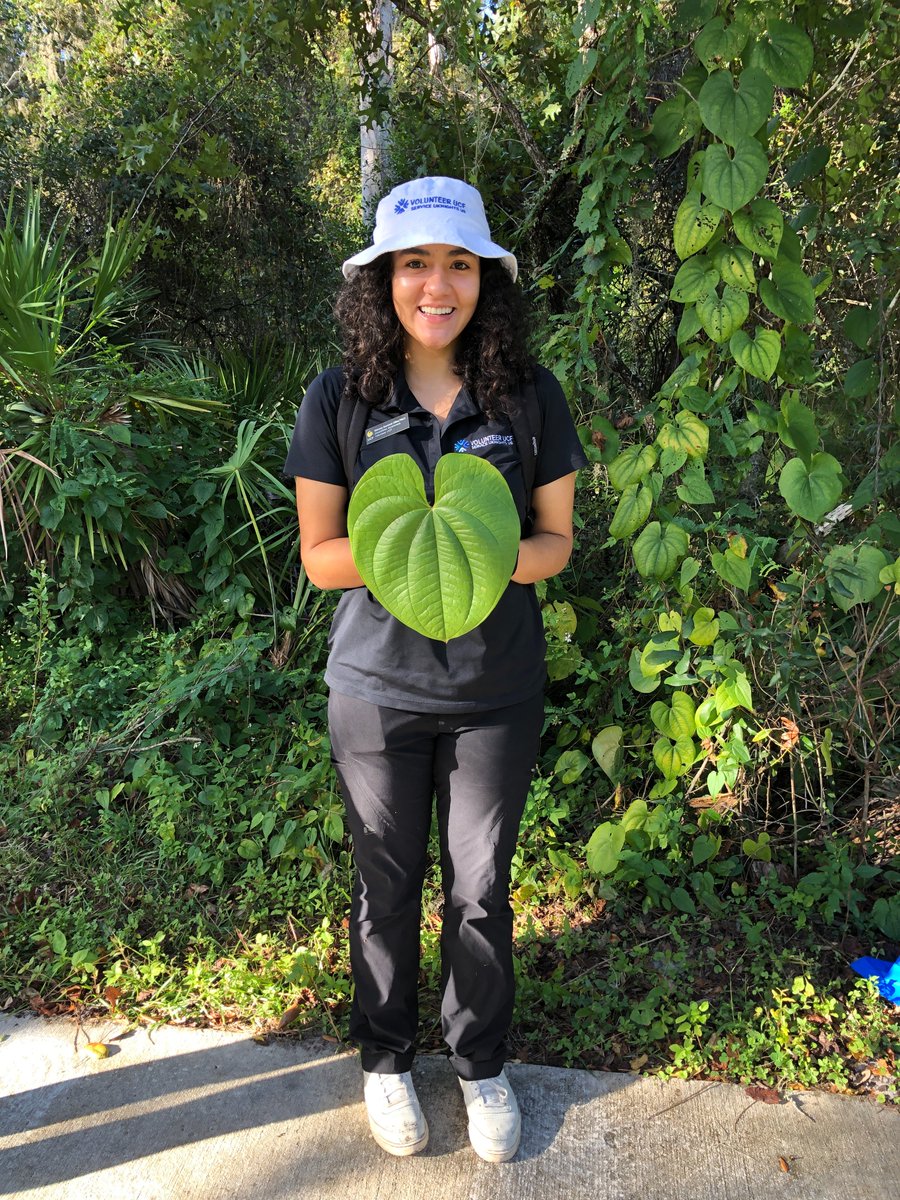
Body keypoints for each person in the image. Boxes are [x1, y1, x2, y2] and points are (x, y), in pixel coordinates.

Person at [284, 176, 587, 1162]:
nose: (436, 284)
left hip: (495, 689)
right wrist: (414, 540)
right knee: (385, 882)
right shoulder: (340, 397)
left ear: (484, 280)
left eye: (458, 263)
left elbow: (557, 545)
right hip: (376, 690)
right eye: (415, 263)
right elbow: (322, 557)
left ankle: (481, 1066)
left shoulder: (529, 396)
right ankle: (384, 1059)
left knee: (482, 886)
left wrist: (472, 541)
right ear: (383, 280)